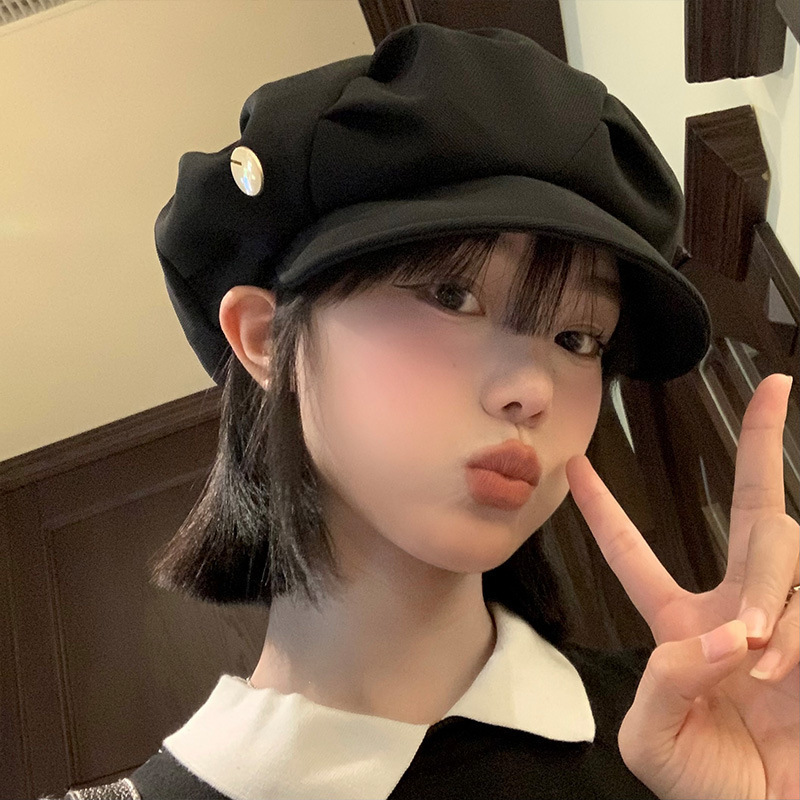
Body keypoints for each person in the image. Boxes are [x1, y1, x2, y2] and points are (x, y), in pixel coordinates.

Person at [51, 22, 798, 800]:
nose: (532, 388)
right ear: (268, 340)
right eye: (452, 294)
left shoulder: (688, 735)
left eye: (578, 338)